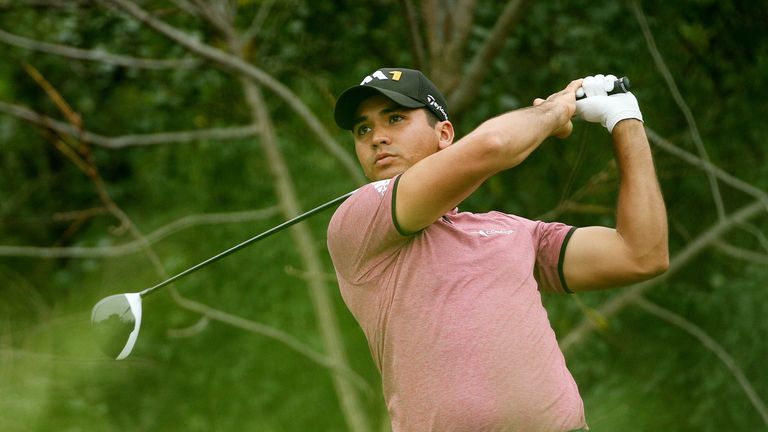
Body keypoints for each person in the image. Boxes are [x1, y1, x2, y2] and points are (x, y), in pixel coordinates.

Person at [326, 67, 668, 432]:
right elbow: (493, 147)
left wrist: (625, 119)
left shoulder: (511, 231)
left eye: (395, 119)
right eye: (364, 129)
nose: (377, 137)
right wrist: (555, 110)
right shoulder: (359, 218)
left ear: (443, 134)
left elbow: (641, 254)